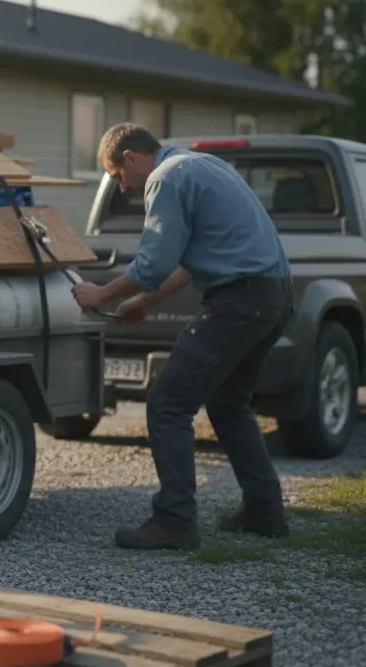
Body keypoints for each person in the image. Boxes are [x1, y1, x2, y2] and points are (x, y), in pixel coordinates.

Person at [71, 123, 294, 551]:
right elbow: (193, 259)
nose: (122, 187)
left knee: (168, 403)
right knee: (229, 403)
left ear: (131, 159)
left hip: (240, 302)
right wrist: (147, 303)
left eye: (118, 176)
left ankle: (174, 521)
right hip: (273, 297)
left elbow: (153, 264)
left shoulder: (165, 178)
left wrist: (102, 292)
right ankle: (265, 512)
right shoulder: (203, 165)